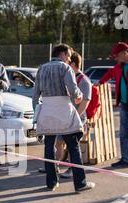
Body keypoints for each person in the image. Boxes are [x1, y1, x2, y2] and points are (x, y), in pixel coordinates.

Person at [32, 44, 95, 192]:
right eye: (68, 55)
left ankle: (51, 182)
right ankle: (80, 183)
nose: (69, 59)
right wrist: (79, 96)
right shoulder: (65, 68)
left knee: (49, 147)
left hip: (46, 110)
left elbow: (35, 96)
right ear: (62, 54)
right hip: (63, 110)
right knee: (73, 146)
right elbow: (73, 90)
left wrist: (37, 112)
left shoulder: (41, 68)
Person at [60, 51, 93, 179]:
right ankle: (55, 165)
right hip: (66, 117)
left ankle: (72, 170)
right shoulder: (70, 79)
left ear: (72, 64)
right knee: (60, 143)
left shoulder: (84, 80)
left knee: (73, 145)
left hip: (77, 119)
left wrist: (75, 117)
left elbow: (85, 102)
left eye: (66, 62)